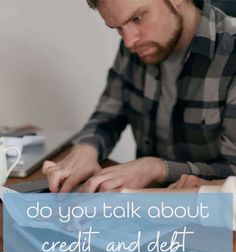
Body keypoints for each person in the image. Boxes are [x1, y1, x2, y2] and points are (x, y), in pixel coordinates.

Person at [43, 0, 236, 193]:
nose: (129, 41)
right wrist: (86, 150)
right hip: (145, 204)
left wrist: (156, 168)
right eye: (118, 28)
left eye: (137, 18)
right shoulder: (138, 46)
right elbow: (109, 112)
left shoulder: (231, 52)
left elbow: (232, 175)